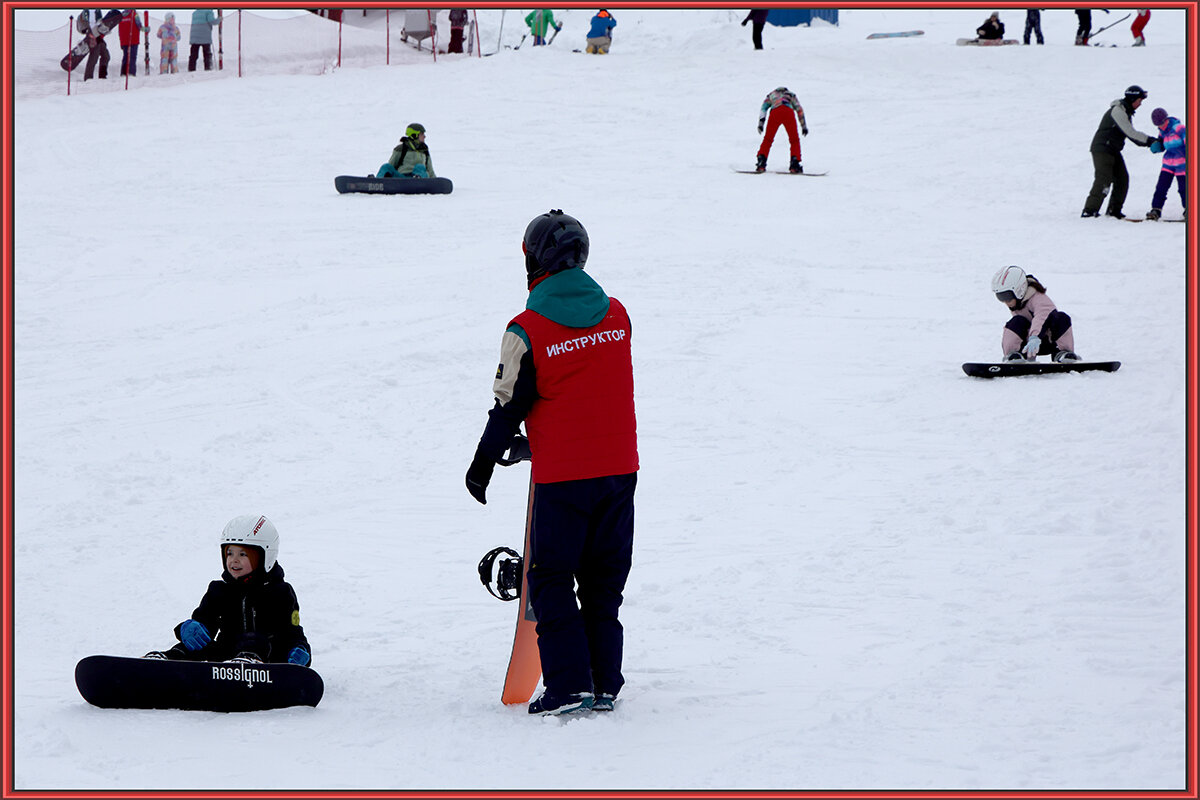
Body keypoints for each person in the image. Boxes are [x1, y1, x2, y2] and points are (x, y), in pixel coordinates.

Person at [465, 210, 638, 716]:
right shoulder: (618, 315)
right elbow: (587, 392)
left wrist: (483, 463)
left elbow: (511, 406)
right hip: (620, 472)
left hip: (564, 481)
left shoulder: (528, 329)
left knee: (551, 579)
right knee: (604, 580)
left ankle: (567, 685)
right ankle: (604, 682)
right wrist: (534, 442)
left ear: (534, 260)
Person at [143, 515, 312, 666]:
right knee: (198, 643)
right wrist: (189, 629)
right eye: (229, 553)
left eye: (243, 554)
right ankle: (168, 663)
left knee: (254, 639)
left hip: (269, 660)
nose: (234, 560)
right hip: (225, 661)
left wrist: (300, 650)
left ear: (265, 556)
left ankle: (249, 663)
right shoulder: (219, 590)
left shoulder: (281, 592)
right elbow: (205, 623)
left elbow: (293, 630)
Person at [1081, 85, 1158, 219]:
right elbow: (1130, 133)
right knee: (1104, 179)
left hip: (1113, 150)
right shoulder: (1118, 111)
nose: (1140, 104)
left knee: (1122, 179)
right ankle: (1090, 210)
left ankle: (1113, 211)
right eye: (1140, 100)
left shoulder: (1125, 111)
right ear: (1133, 98)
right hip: (1103, 149)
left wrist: (1150, 141)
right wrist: (1150, 141)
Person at [990, 266, 1079, 363]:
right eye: (1000, 297)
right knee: (1015, 322)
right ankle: (1014, 356)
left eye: (1007, 296)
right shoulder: (1018, 302)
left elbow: (1042, 317)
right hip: (1028, 345)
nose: (1005, 301)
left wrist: (1034, 337)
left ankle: (1063, 353)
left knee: (1061, 318)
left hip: (1048, 340)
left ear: (1019, 290)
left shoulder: (1039, 298)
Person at [755, 86, 807, 174]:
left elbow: (763, 108)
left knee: (768, 139)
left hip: (775, 112)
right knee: (794, 140)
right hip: (788, 112)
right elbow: (799, 109)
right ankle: (794, 163)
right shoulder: (791, 95)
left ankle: (761, 162)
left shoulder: (771, 95)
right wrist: (803, 126)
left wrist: (761, 123)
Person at [1146, 107, 1186, 220]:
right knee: (1161, 187)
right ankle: (1156, 210)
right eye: (1157, 125)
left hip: (1182, 164)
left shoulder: (1179, 128)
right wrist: (1157, 147)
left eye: (1162, 123)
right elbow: (1163, 145)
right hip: (1168, 164)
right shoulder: (1162, 131)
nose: (1160, 126)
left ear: (1166, 119)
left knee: (1184, 188)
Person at [81, 9, 110, 82]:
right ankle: (88, 78)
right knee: (94, 57)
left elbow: (99, 22)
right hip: (92, 34)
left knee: (106, 56)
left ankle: (102, 76)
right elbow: (89, 24)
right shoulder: (88, 11)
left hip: (98, 34)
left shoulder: (97, 10)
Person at [116, 9, 144, 76]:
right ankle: (131, 73)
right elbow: (139, 26)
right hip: (133, 39)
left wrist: (121, 41)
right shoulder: (134, 14)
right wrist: (146, 29)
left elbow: (119, 29)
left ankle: (123, 73)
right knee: (132, 57)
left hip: (124, 40)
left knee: (125, 56)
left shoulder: (121, 15)